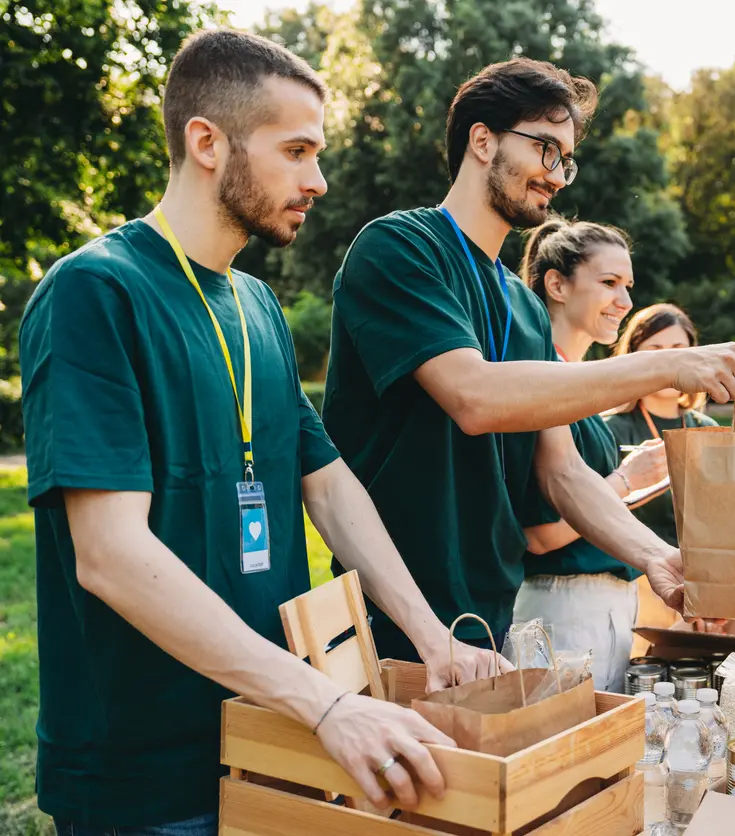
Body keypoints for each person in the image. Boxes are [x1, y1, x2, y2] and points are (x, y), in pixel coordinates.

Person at [18, 30, 503, 835]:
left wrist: (430, 637)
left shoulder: (258, 307)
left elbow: (326, 481)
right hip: (144, 773)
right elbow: (109, 556)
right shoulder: (94, 292)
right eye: (297, 150)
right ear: (206, 141)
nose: (318, 179)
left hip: (269, 738)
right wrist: (328, 706)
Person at [320, 58, 735, 662]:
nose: (557, 176)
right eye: (546, 149)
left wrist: (655, 556)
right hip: (388, 620)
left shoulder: (524, 308)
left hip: (489, 621)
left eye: (567, 160)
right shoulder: (399, 247)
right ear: (483, 140)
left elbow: (563, 473)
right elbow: (473, 396)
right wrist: (665, 366)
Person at [511, 218, 668, 691]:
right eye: (609, 283)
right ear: (557, 284)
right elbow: (538, 534)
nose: (626, 301)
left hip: (603, 612)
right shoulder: (538, 379)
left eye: (628, 286)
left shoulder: (575, 382)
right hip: (562, 612)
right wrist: (625, 479)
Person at [603, 303, 721, 547]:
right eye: (655, 350)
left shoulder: (708, 429)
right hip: (636, 575)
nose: (669, 361)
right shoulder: (609, 429)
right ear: (634, 358)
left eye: (678, 350)